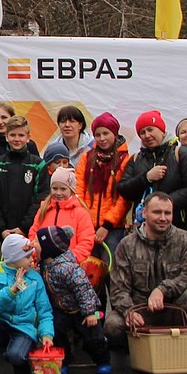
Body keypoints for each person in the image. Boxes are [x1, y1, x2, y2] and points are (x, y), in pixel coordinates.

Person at [104, 193, 187, 349]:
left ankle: (183, 347)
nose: (163, 218)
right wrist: (128, 312)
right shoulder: (126, 245)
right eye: (157, 212)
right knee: (112, 324)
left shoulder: (184, 239)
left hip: (173, 308)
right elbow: (118, 289)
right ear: (144, 213)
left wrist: (162, 290)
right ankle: (139, 351)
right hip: (140, 310)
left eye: (167, 213)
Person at [0, 233, 55, 374]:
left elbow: (44, 310)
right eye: (27, 257)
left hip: (23, 326)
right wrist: (12, 290)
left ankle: (18, 357)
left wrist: (46, 334)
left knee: (16, 356)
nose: (32, 259)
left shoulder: (34, 278)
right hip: (3, 320)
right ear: (13, 260)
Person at [35, 226, 108, 374]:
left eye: (36, 242)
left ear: (48, 248)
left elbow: (85, 289)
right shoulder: (44, 265)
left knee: (93, 337)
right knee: (58, 333)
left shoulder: (68, 268)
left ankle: (102, 360)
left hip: (82, 309)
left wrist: (90, 312)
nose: (32, 244)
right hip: (61, 308)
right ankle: (64, 360)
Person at [118, 110, 187, 231]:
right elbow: (123, 189)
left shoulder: (180, 154)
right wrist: (146, 178)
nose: (147, 135)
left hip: (176, 226)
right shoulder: (136, 158)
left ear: (162, 131)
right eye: (142, 132)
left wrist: (163, 205)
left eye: (150, 129)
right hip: (143, 228)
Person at [76, 111, 132, 265]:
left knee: (111, 268)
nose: (102, 138)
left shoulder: (125, 160)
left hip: (113, 228)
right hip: (87, 226)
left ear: (114, 133)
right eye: (98, 134)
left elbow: (123, 198)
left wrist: (107, 225)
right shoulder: (86, 158)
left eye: (106, 133)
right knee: (88, 267)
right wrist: (84, 219)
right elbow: (79, 190)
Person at [0, 115, 46, 241]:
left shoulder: (38, 165)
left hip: (28, 234)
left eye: (21, 135)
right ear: (6, 136)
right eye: (12, 135)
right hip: (1, 236)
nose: (17, 139)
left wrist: (24, 228)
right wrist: (1, 229)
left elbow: (41, 199)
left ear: (28, 138)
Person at [28, 167, 95, 260]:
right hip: (42, 262)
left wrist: (69, 259)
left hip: (69, 265)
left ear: (71, 190)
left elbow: (86, 241)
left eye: (63, 189)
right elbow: (33, 234)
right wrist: (37, 253)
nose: (58, 193)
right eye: (55, 188)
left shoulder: (81, 213)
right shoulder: (44, 209)